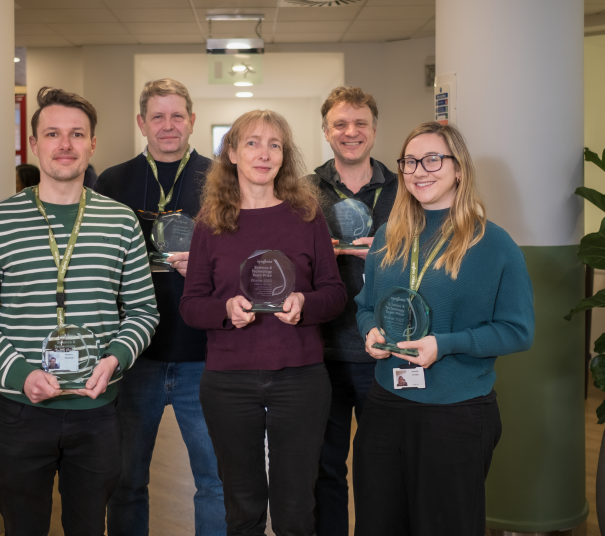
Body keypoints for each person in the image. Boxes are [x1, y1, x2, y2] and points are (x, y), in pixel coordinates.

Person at [0, 87, 159, 536]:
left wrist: (115, 359)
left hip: (97, 409)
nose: (65, 144)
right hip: (22, 410)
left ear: (92, 145)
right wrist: (19, 372)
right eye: (52, 134)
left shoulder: (121, 221)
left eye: (76, 134)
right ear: (35, 144)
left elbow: (144, 311)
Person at [353, 121, 534, 535]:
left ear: (459, 169)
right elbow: (365, 306)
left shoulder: (493, 243)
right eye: (410, 161)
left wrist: (446, 344)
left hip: (456, 412)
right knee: (378, 524)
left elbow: (518, 330)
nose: (420, 170)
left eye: (433, 159)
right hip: (386, 402)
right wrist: (371, 333)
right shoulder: (388, 236)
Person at [180, 109, 347, 536]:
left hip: (300, 377)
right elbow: (191, 304)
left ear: (284, 156)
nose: (264, 153)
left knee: (296, 510)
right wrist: (225, 311)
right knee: (243, 508)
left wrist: (304, 304)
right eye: (252, 143)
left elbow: (334, 293)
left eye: (275, 145)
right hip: (229, 381)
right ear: (231, 153)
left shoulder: (307, 216)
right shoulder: (209, 224)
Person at [95, 78, 224, 536]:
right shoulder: (112, 181)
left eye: (176, 116)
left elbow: (242, 259)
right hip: (133, 357)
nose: (167, 126)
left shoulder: (221, 178)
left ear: (192, 121)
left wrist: (209, 267)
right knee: (127, 482)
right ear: (141, 123)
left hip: (204, 355)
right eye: (157, 116)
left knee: (215, 482)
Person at [306, 86, 398, 536]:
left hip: (386, 351)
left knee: (381, 470)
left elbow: (428, 261)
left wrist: (383, 256)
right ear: (326, 131)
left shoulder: (406, 190)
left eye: (360, 122)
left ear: (375, 130)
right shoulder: (303, 192)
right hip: (320, 352)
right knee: (326, 470)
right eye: (340, 123)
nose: (351, 131)